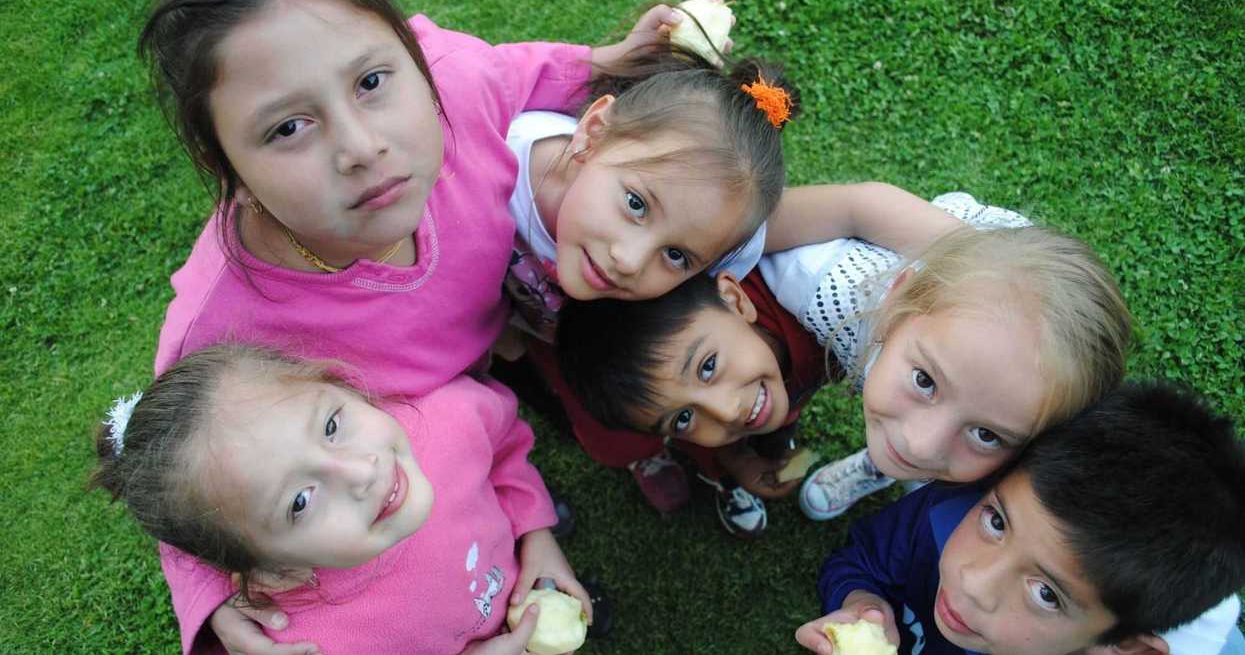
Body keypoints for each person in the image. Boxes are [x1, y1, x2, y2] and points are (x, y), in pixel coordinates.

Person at [140, 0, 662, 650]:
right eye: (287, 129)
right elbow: (176, 458)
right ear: (227, 169)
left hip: (502, 339)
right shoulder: (223, 322)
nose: (362, 147)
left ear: (415, 59)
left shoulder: (454, 82)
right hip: (403, 437)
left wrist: (602, 59)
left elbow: (507, 72)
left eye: (371, 82)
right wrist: (205, 598)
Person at [501, 32, 963, 514]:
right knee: (612, 434)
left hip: (632, 346)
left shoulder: (720, 235)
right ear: (593, 131)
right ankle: (645, 456)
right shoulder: (500, 172)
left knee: (656, 407)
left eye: (678, 256)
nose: (630, 261)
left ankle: (683, 447)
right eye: (636, 204)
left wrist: (989, 261)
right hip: (542, 334)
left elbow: (855, 207)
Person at [554, 194, 1124, 537]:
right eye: (922, 380)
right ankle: (892, 461)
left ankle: (886, 465)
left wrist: (979, 267)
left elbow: (856, 205)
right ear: (899, 303)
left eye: (988, 432)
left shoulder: (821, 288)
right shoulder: (827, 296)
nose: (728, 408)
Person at [93, 346, 586, 654]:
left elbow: (502, 444)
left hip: (518, 579)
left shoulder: (444, 422)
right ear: (270, 574)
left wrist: (537, 534)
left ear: (339, 384)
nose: (360, 472)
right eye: (301, 501)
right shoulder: (307, 644)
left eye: (331, 425)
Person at [794, 381, 1245, 655]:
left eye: (1047, 594)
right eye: (996, 522)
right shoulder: (945, 513)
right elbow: (862, 562)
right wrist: (862, 606)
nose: (973, 582)